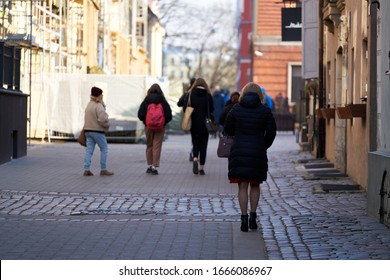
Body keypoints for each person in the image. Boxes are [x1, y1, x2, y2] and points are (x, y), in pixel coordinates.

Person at [224, 82, 276, 231]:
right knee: (255, 184)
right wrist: (263, 145)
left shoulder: (236, 109)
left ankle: (243, 219)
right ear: (260, 95)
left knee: (242, 185)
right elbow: (272, 132)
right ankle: (253, 217)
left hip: (239, 150)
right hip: (257, 151)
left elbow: (227, 129)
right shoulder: (265, 111)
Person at [138, 83, 172, 175]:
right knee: (157, 146)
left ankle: (149, 166)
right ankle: (154, 166)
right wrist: (162, 123)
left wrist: (146, 121)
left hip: (148, 127)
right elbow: (169, 115)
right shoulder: (163, 101)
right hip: (160, 128)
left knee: (149, 145)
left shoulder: (146, 101)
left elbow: (140, 114)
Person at [182, 78, 214, 175]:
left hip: (193, 123)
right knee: (203, 146)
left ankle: (195, 158)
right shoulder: (208, 96)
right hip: (205, 124)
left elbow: (184, 108)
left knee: (195, 143)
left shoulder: (190, 95)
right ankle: (201, 168)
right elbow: (212, 109)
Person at [83, 86, 114, 176]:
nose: (102, 96)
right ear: (99, 95)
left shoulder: (89, 104)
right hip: (97, 131)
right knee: (104, 148)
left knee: (89, 150)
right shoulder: (99, 105)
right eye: (101, 94)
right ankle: (103, 169)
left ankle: (86, 169)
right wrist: (107, 125)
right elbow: (103, 119)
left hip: (88, 130)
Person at [178, 77, 196, 161]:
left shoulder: (187, 92)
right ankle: (195, 152)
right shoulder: (202, 92)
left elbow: (179, 103)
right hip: (199, 118)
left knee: (194, 136)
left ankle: (193, 152)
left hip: (190, 118)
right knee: (198, 137)